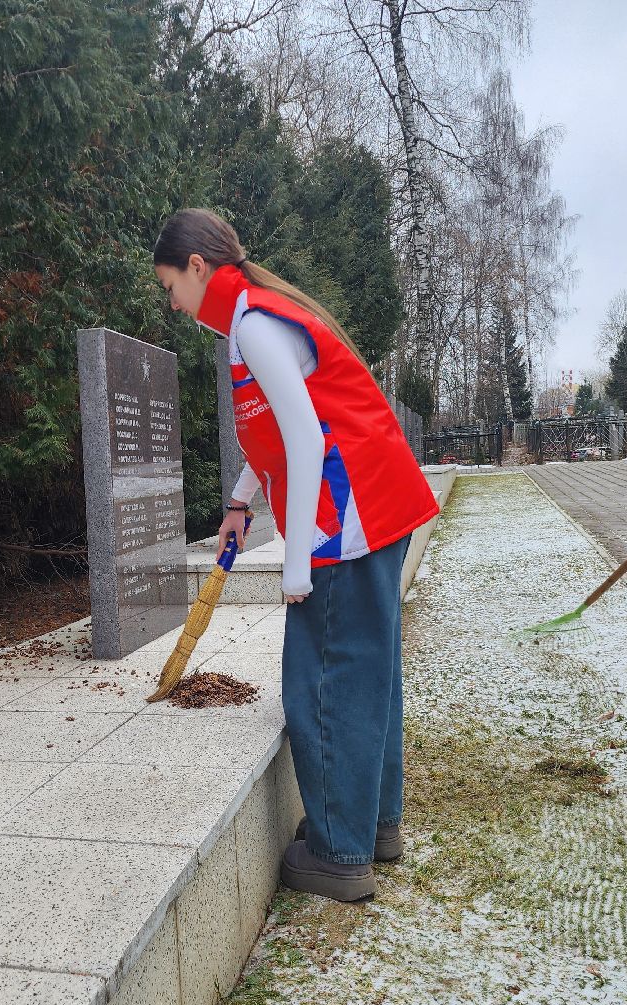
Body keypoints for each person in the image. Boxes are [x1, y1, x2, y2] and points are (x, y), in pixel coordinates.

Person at [152, 208, 438, 902]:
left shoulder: (253, 324)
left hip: (348, 516)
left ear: (197, 267)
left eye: (170, 287)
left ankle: (341, 854)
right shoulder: (253, 317)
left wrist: (297, 561)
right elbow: (278, 433)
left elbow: (307, 441)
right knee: (369, 669)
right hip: (367, 505)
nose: (172, 303)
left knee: (326, 679)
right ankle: (373, 828)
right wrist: (242, 502)